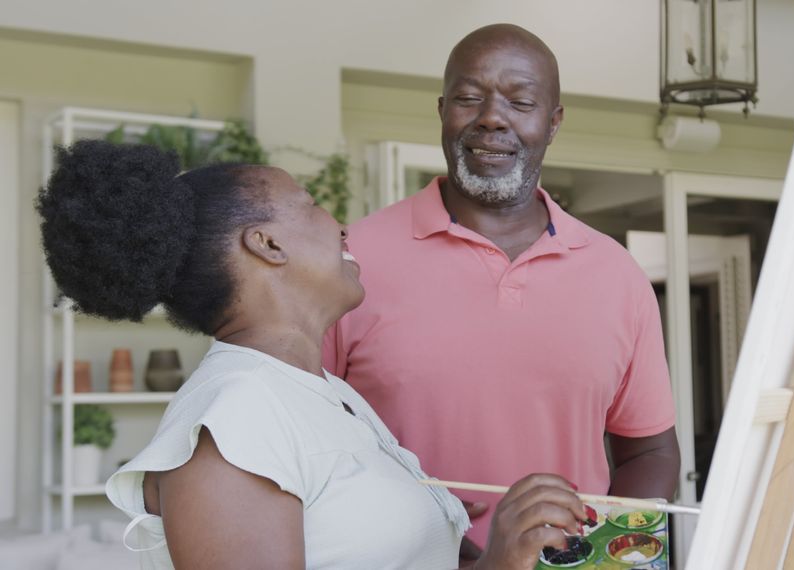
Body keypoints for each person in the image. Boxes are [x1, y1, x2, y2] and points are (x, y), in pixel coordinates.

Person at [38, 140, 589, 569]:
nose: (340, 224)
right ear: (267, 244)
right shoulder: (234, 422)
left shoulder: (323, 394)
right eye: (311, 204)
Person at [323, 23, 681, 551]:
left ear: (553, 122)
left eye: (520, 102)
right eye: (470, 98)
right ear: (443, 111)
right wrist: (424, 526)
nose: (492, 118)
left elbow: (649, 452)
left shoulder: (617, 274)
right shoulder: (351, 260)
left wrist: (605, 549)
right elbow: (304, 439)